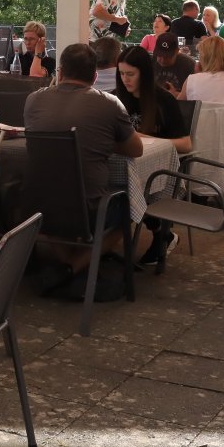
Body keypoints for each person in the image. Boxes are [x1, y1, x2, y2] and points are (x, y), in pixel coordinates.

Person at [25, 42, 152, 289]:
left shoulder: (33, 100)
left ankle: (66, 265)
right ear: (94, 76)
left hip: (37, 204)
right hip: (90, 208)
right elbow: (136, 149)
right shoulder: (110, 104)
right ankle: (74, 266)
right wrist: (101, 140)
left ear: (60, 72)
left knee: (50, 204)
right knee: (130, 209)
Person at [115, 45, 191, 154]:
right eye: (121, 73)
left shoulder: (165, 100)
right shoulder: (114, 97)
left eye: (130, 74)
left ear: (145, 74)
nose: (125, 79)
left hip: (156, 158)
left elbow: (186, 145)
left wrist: (144, 138)